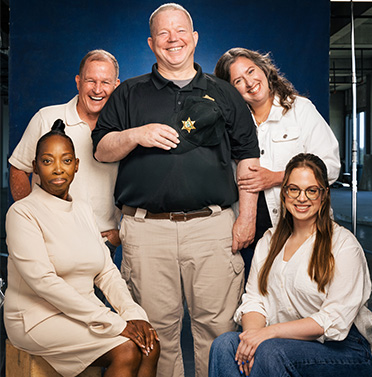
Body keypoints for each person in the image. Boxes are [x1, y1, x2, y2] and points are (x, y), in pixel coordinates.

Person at [91, 4, 260, 376]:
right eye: (164, 34)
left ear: (195, 38)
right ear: (152, 43)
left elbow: (248, 156)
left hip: (212, 228)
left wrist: (247, 217)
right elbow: (101, 150)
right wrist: (136, 135)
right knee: (156, 335)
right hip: (147, 230)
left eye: (181, 31)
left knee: (218, 331)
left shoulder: (225, 93)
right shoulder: (129, 93)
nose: (173, 39)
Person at [4, 120, 160, 377]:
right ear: (34, 167)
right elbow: (44, 282)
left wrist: (134, 314)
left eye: (65, 161)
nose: (57, 169)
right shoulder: (22, 213)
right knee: (127, 350)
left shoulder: (83, 210)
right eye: (47, 161)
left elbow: (106, 271)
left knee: (150, 345)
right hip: (35, 318)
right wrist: (113, 322)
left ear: (76, 166)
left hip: (83, 314)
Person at [208, 153, 372, 377]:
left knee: (270, 351)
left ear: (324, 195)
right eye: (294, 189)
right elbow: (255, 300)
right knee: (225, 345)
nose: (301, 198)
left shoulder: (343, 245)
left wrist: (268, 335)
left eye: (311, 190)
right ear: (284, 193)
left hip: (344, 350)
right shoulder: (269, 241)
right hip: (282, 343)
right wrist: (253, 338)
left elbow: (332, 319)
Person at [215, 48, 341, 280]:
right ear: (231, 90)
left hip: (299, 230)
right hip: (248, 235)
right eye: (238, 81)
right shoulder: (229, 124)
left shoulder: (300, 110)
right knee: (256, 303)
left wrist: (276, 177)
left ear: (264, 68)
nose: (250, 82)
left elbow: (330, 167)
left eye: (251, 71)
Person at [8, 49, 121, 256]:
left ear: (116, 85)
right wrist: (31, 222)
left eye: (105, 82)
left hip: (101, 244)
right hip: (50, 241)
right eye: (90, 80)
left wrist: (117, 234)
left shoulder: (123, 130)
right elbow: (19, 169)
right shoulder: (46, 118)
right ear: (78, 81)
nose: (97, 89)